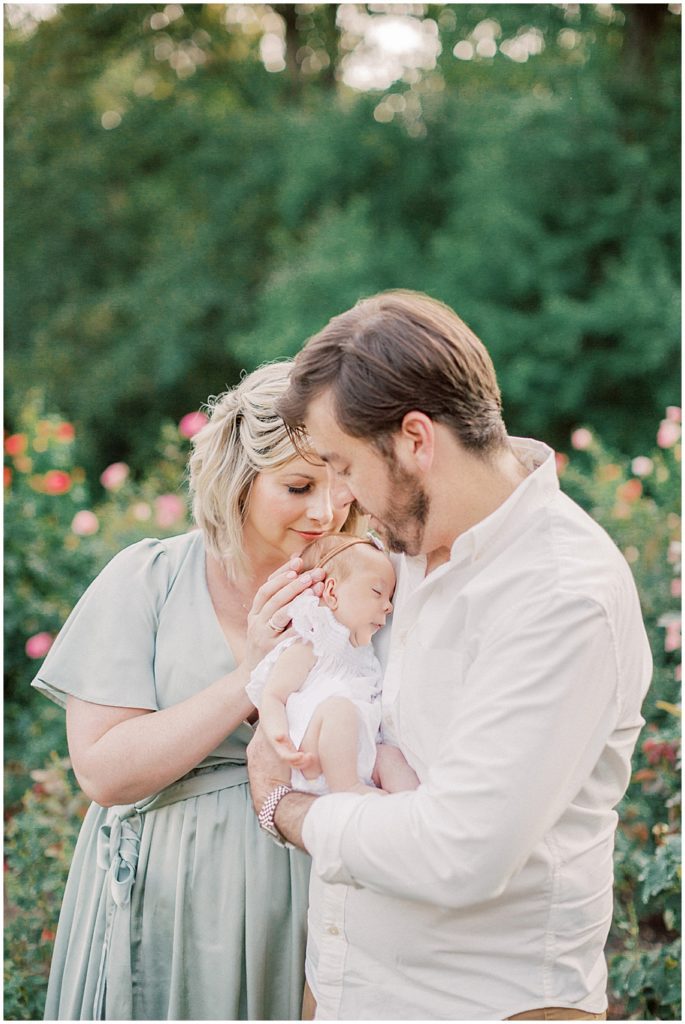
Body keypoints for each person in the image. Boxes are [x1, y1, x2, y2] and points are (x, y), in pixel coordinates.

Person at [246, 291, 653, 1021]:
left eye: (342, 465)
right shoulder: (394, 560)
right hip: (345, 990)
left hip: (479, 1005)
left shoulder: (559, 595)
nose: (337, 499)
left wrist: (286, 808)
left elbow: (458, 851)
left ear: (414, 440)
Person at [31, 361, 359, 1021]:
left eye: (342, 484)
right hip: (166, 909)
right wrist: (252, 674)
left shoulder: (365, 588)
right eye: (297, 486)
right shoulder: (147, 578)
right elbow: (102, 771)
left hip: (311, 913)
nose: (326, 512)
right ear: (238, 480)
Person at [246, 533, 395, 797]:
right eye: (377, 592)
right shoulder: (311, 642)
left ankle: (412, 805)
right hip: (314, 756)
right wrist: (280, 737)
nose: (389, 606)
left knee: (391, 758)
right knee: (339, 709)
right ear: (332, 592)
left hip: (360, 752)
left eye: (391, 597)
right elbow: (272, 695)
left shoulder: (364, 656)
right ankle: (347, 787)